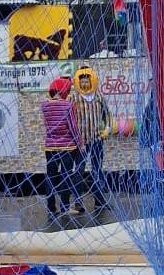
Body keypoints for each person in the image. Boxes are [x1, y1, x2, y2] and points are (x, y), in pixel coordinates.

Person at [69, 65, 111, 213]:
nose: (85, 84)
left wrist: (107, 128)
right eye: (82, 82)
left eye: (87, 81)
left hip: (96, 140)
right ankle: (78, 203)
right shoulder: (73, 97)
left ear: (92, 81)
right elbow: (68, 118)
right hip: (80, 142)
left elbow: (107, 115)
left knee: (97, 170)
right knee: (79, 170)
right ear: (78, 83)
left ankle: (99, 201)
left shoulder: (99, 96)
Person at [41, 77, 81, 219]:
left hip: (50, 147)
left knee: (51, 177)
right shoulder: (68, 105)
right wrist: (80, 143)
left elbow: (47, 126)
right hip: (67, 147)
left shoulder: (44, 105)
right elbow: (73, 127)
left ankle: (51, 209)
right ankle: (64, 206)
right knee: (66, 176)